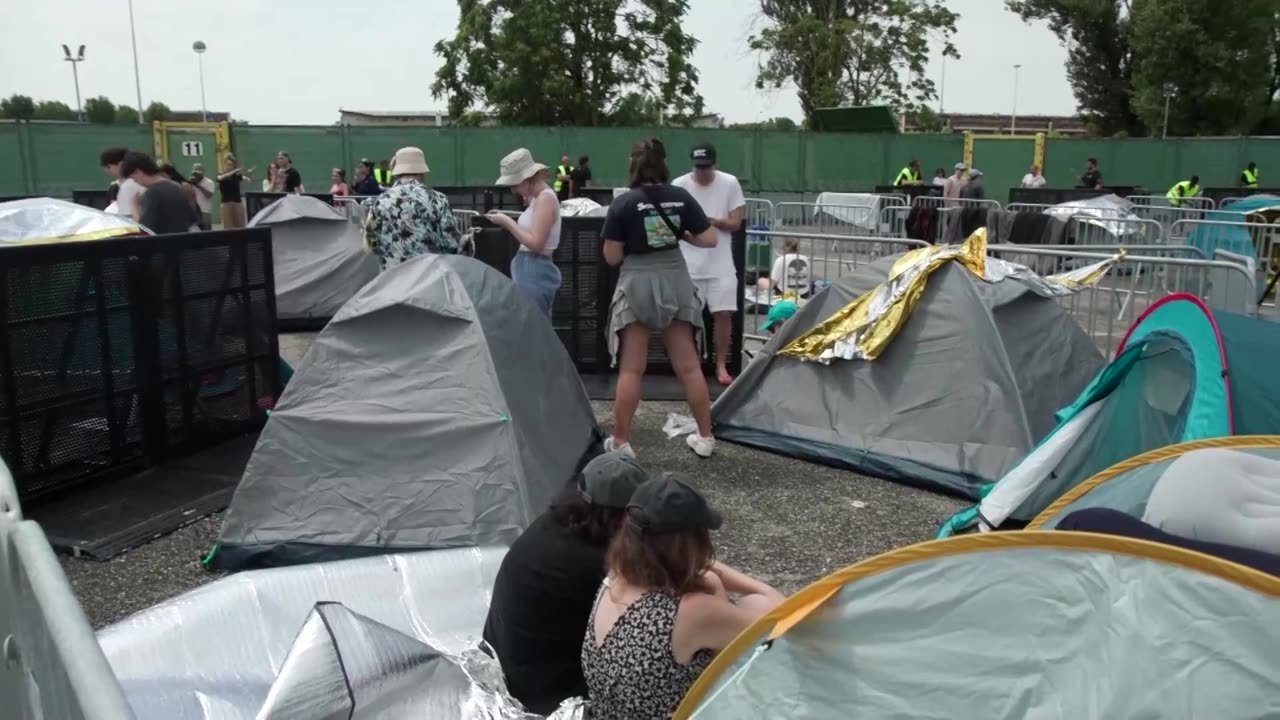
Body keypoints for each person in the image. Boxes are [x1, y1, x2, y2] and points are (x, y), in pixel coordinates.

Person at [582, 473, 785, 720]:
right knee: (755, 604)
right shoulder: (691, 612)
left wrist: (700, 571)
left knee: (712, 589)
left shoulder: (615, 577)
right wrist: (746, 585)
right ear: (692, 545)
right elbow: (779, 616)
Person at [483, 451, 650, 715]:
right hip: (544, 690)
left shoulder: (557, 522)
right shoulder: (596, 564)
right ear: (622, 518)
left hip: (505, 660)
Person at [601, 137, 719, 458]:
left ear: (633, 164)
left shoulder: (624, 203)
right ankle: (705, 437)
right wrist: (681, 233)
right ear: (664, 163)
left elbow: (611, 256)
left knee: (631, 369)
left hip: (637, 282)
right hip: (676, 280)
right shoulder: (681, 198)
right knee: (689, 367)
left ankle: (622, 442)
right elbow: (710, 238)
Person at [674, 142, 746, 387]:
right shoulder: (680, 185)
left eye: (705, 167)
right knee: (687, 318)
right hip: (689, 263)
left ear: (715, 164)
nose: (701, 172)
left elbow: (737, 221)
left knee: (723, 313)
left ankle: (721, 363)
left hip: (721, 263)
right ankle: (690, 363)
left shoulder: (729, 183)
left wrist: (711, 222)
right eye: (697, 167)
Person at [486, 148, 562, 319]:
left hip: (534, 268)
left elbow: (536, 243)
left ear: (527, 179)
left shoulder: (545, 199)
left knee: (533, 326)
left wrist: (507, 222)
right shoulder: (539, 198)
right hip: (530, 268)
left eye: (514, 184)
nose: (513, 191)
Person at [362, 146, 462, 271]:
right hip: (429, 273)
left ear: (397, 171)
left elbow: (371, 243)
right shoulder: (438, 199)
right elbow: (451, 241)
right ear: (422, 172)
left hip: (392, 275)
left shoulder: (381, 200)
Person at [119, 151, 200, 234]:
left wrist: (134, 206)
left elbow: (145, 230)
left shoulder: (152, 193)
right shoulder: (175, 186)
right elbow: (191, 220)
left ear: (138, 171)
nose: (136, 182)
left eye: (134, 179)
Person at [100, 146, 144, 221]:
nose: (106, 171)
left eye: (108, 167)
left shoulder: (129, 185)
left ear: (121, 164)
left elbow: (128, 219)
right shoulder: (132, 183)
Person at [217, 155, 253, 229]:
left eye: (231, 165)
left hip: (237, 202)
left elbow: (247, 180)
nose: (229, 166)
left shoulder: (236, 176)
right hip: (226, 203)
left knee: (240, 226)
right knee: (228, 227)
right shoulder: (221, 174)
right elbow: (220, 179)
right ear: (224, 165)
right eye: (228, 164)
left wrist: (250, 174)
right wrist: (233, 172)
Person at [189, 164, 215, 230]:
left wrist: (198, 185)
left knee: (206, 232)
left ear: (202, 173)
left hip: (205, 211)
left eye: (198, 174)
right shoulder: (191, 182)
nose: (196, 176)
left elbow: (209, 195)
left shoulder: (209, 182)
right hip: (194, 212)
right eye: (195, 174)